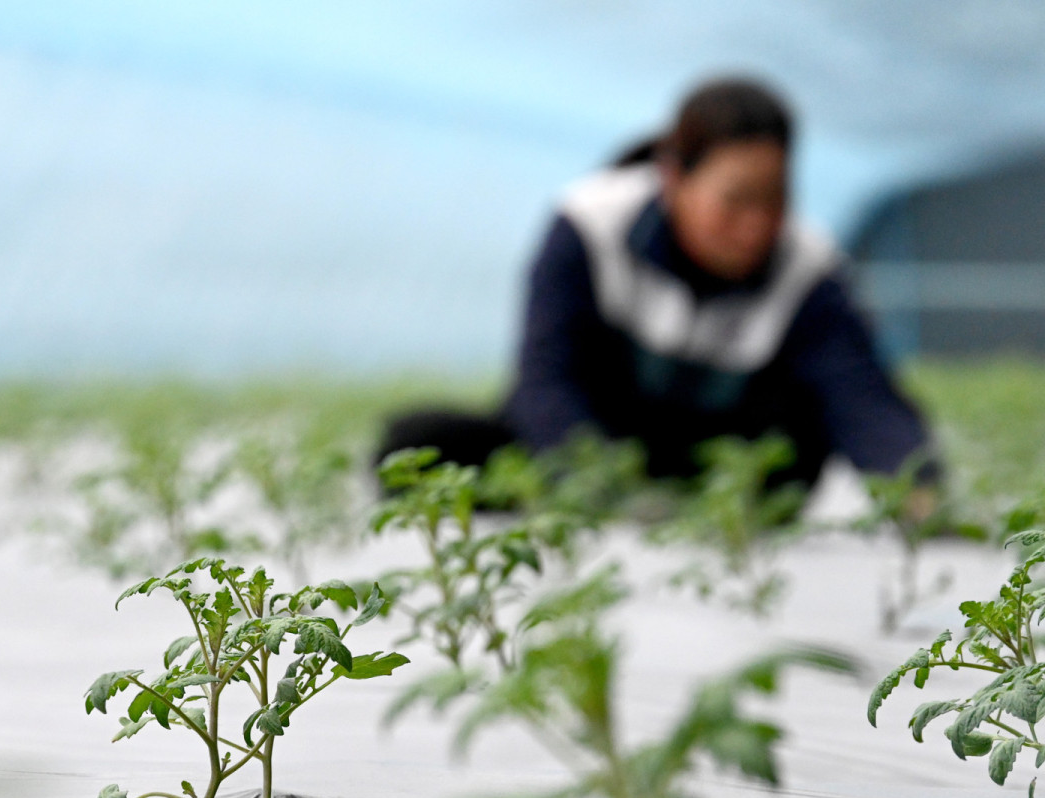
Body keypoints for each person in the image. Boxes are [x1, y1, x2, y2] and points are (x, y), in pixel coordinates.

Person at [378, 77, 937, 501]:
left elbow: (864, 398)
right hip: (591, 450)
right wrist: (590, 478)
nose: (757, 224)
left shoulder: (808, 270)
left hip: (719, 473)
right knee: (419, 444)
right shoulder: (589, 224)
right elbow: (545, 379)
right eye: (736, 199)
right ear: (673, 178)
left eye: (774, 198)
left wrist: (918, 490)